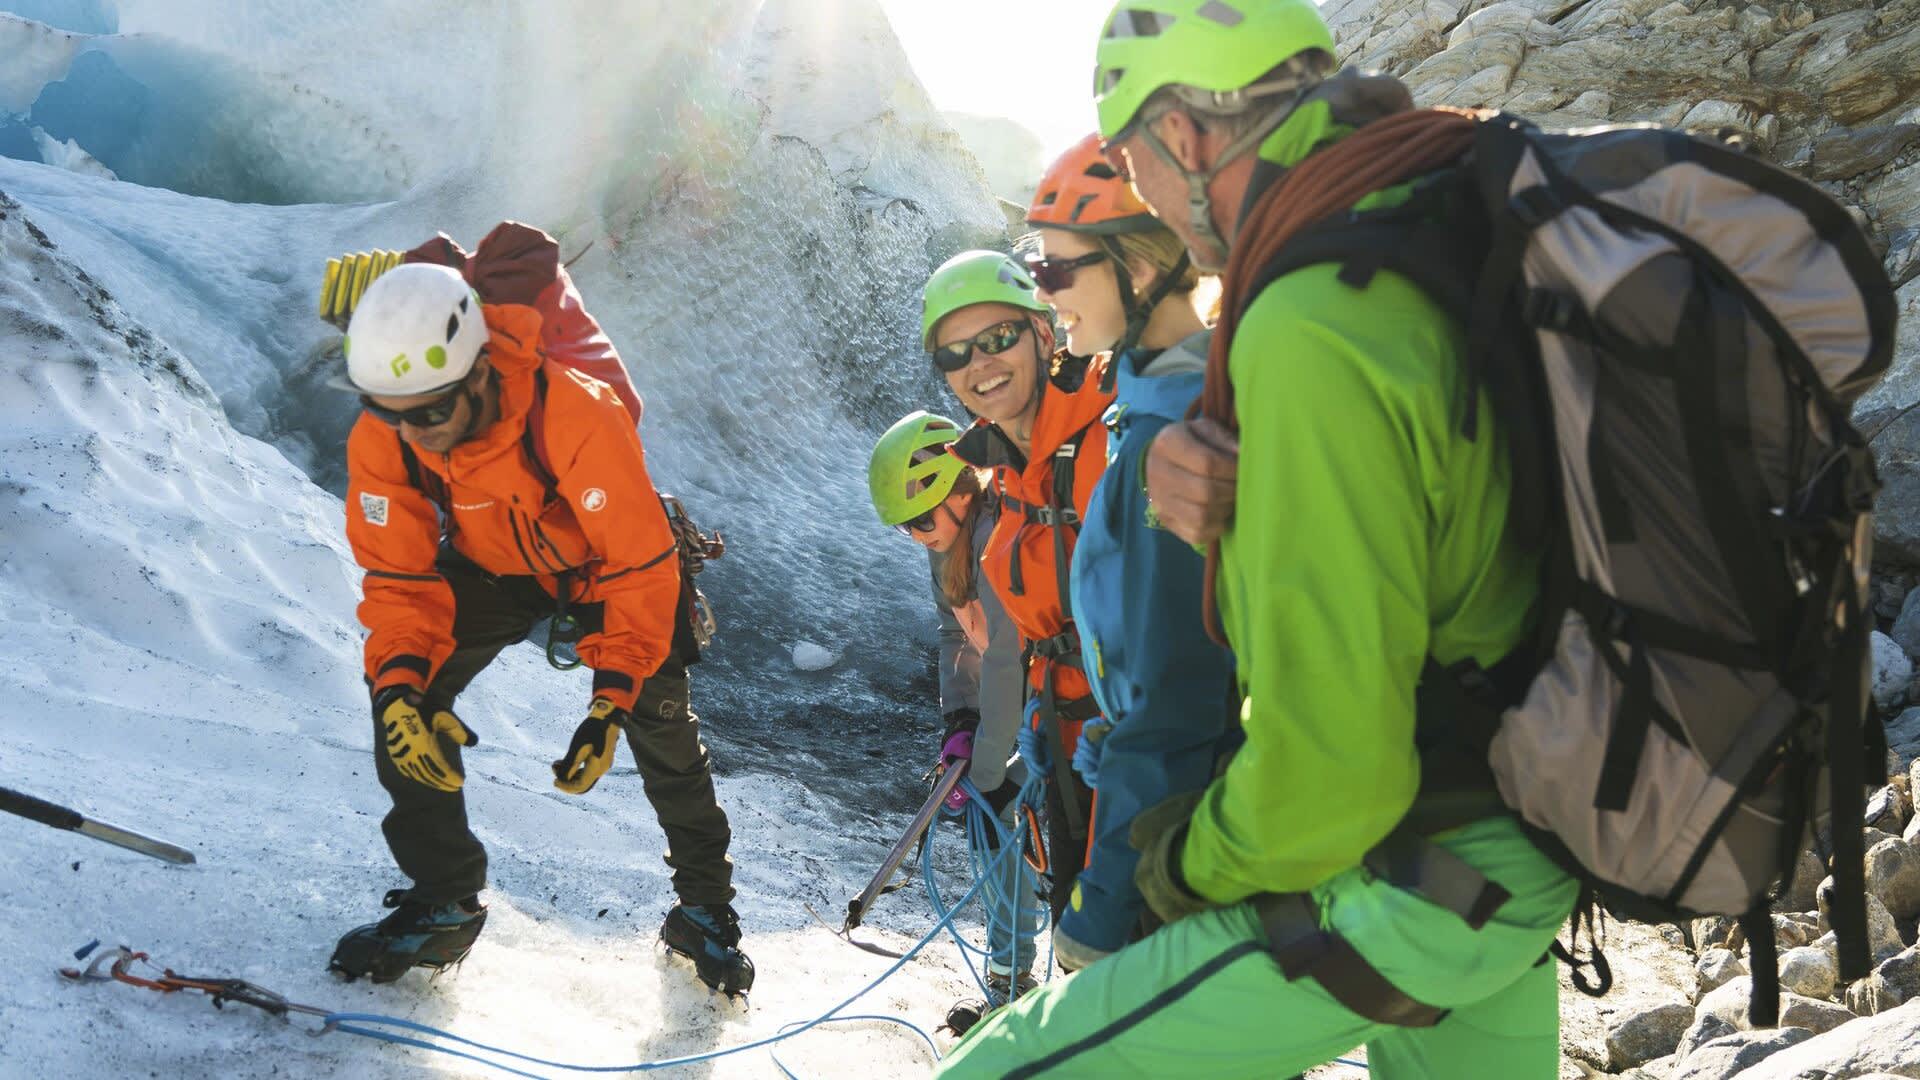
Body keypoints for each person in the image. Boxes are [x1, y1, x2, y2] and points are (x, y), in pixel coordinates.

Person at [937, 2, 1578, 1075]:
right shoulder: (1409, 240)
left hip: (1414, 870)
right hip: (1520, 847)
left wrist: (1172, 868)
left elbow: (1331, 781)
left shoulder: (1310, 314)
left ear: (1183, 136)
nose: (1147, 193)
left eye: (1138, 164)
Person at [324, 259, 754, 996]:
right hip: (496, 562)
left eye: (429, 412)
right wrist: (399, 688)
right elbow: (398, 583)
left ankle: (705, 913)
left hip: (605, 564)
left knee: (662, 731)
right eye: (390, 409)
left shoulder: (575, 410)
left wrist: (608, 702)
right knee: (403, 694)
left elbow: (639, 566)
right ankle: (444, 900)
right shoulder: (388, 433)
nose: (411, 433)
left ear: (478, 372)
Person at [1023, 134, 1238, 975]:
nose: (1047, 299)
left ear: (1139, 271)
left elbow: (1181, 701)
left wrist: (1103, 909)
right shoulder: (1170, 397)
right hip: (1205, 806)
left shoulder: (1172, 433)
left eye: (1055, 273)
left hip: (1192, 838)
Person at [924, 251, 1110, 925]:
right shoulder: (1007, 467)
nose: (979, 364)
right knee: (1083, 946)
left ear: (1042, 332)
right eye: (954, 355)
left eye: (998, 338)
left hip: (1134, 759)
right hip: (1065, 754)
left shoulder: (1104, 443)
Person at [866, 411, 1043, 1014]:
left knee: (1023, 826)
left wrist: (990, 765)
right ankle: (1010, 979)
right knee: (989, 829)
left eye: (919, 519)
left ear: (960, 493)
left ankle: (1048, 983)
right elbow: (955, 634)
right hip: (1007, 704)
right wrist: (960, 723)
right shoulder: (947, 547)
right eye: (904, 528)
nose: (916, 535)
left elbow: (1006, 658)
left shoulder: (1001, 538)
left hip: (1058, 705)